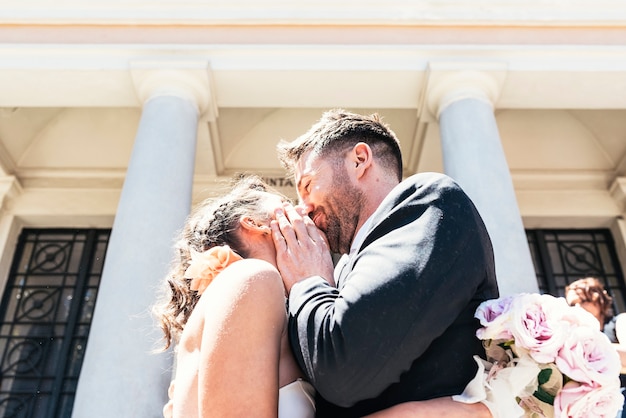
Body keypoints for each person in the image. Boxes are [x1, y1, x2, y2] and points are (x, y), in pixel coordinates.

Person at [153, 175, 492, 418]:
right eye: (288, 206)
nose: (310, 216)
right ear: (255, 225)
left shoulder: (271, 318)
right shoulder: (251, 279)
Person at [271, 109, 500, 417]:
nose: (304, 208)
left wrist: (307, 281)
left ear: (359, 160)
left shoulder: (427, 201)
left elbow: (345, 369)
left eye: (308, 185)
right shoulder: (341, 268)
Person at [565, 277, 626, 418]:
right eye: (573, 304)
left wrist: (591, 349)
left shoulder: (620, 321)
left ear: (599, 300)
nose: (578, 308)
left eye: (584, 301)